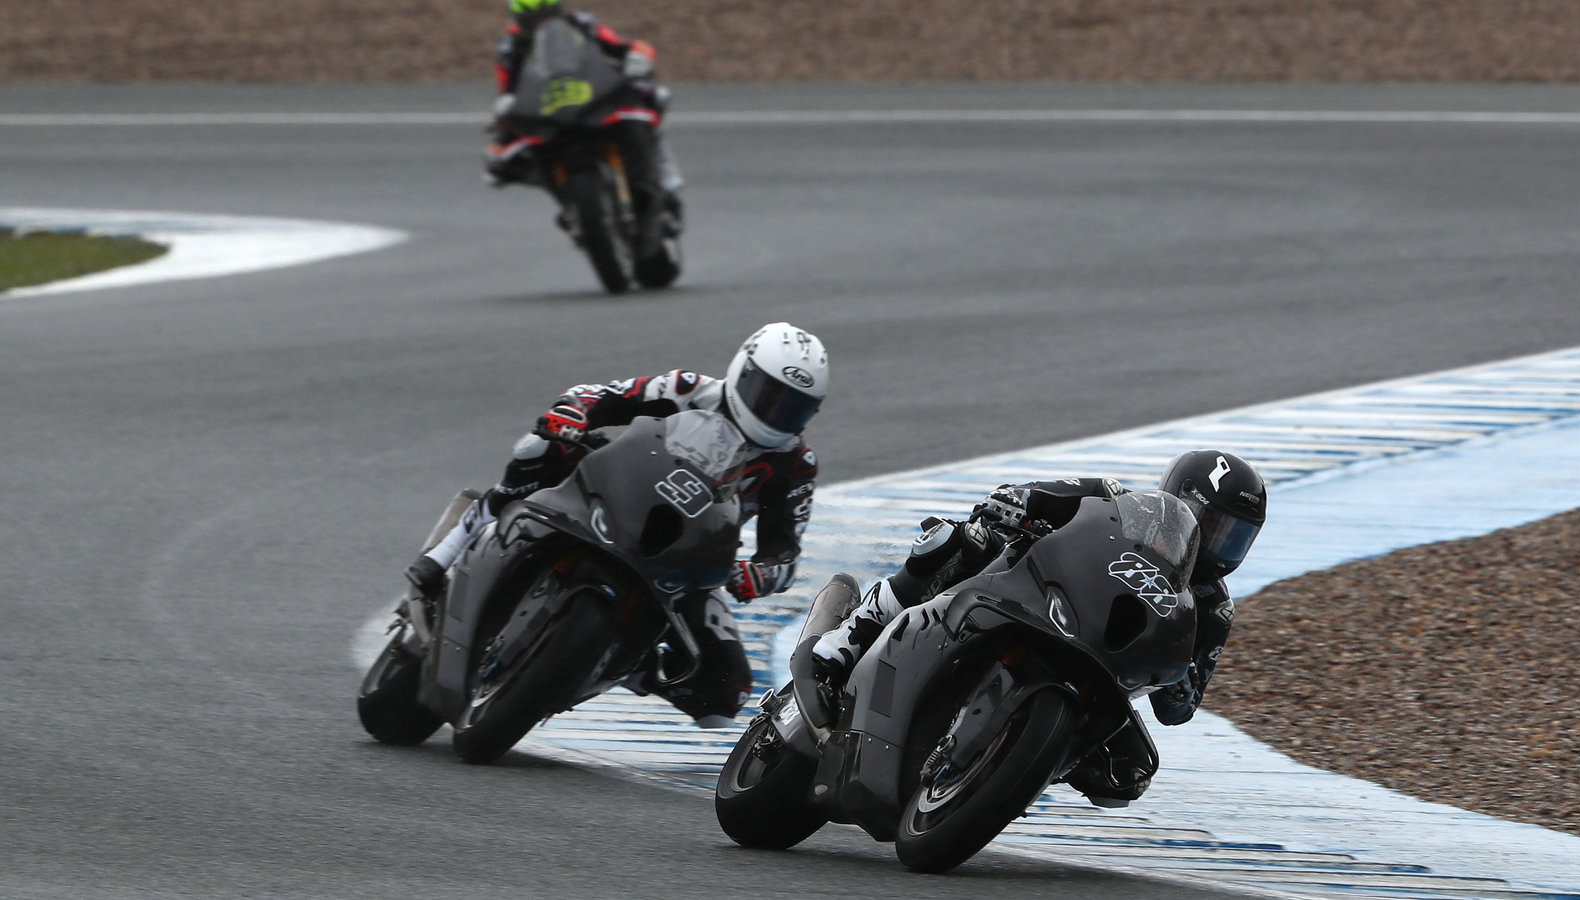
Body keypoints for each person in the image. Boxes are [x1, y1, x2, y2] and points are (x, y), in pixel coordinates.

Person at [403, 323, 828, 728]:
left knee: (726, 691)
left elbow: (785, 554)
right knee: (537, 449)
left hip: (685, 555)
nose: (776, 414)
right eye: (768, 396)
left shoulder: (795, 465)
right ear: (742, 372)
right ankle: (448, 551)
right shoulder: (689, 389)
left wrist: (759, 574)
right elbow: (603, 395)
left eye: (793, 407)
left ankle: (617, 664)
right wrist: (573, 412)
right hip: (614, 493)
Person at [813, 450, 1267, 806]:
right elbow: (1018, 495)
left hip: (1099, 668)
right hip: (1025, 590)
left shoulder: (1212, 609)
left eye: (1234, 536)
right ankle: (853, 634)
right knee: (957, 540)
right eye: (1212, 525)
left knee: (1129, 773)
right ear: (1179, 496)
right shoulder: (1115, 501)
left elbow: (1177, 708)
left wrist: (1180, 677)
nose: (1216, 544)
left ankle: (1012, 766)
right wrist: (1016, 507)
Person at [483, 0, 684, 237]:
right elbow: (508, 88)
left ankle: (667, 181)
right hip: (549, 107)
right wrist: (506, 104)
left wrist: (636, 58)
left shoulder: (582, 24)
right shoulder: (511, 45)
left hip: (595, 91)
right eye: (532, 19)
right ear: (519, 20)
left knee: (651, 98)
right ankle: (567, 201)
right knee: (498, 158)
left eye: (546, 16)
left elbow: (625, 46)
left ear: (558, 10)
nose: (541, 24)